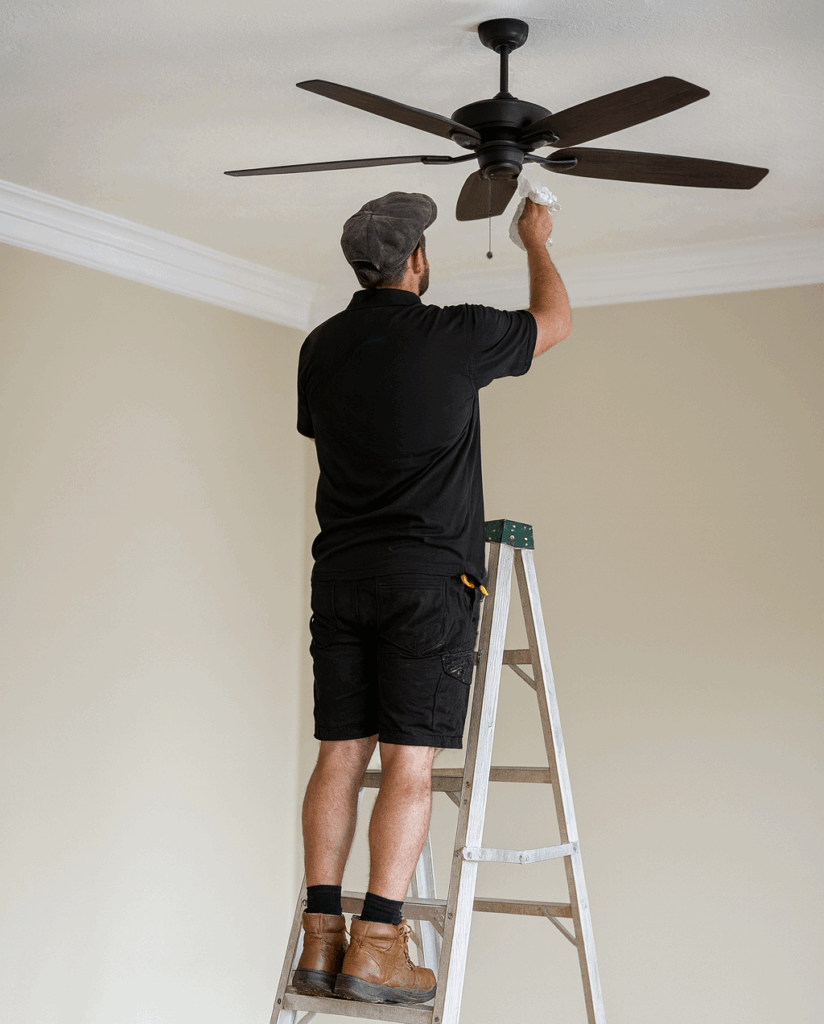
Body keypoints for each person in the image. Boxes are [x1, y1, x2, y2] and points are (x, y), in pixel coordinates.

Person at [292, 191, 571, 1005]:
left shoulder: (319, 348)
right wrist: (535, 239)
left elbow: (330, 429)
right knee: (409, 765)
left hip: (340, 577)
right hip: (426, 584)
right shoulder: (455, 333)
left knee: (341, 752)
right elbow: (552, 321)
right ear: (417, 261)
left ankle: (322, 938)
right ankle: (378, 942)